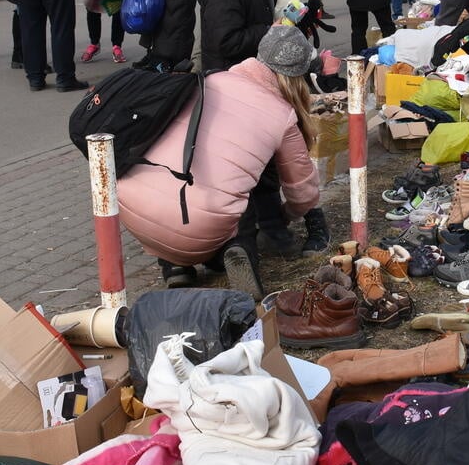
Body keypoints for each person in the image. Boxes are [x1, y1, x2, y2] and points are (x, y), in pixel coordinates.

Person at [117, 25, 321, 299]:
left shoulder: (208, 80)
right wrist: (288, 214)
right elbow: (304, 192)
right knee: (239, 195)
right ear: (297, 77)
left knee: (189, 180)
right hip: (201, 221)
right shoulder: (282, 114)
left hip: (134, 207)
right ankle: (238, 250)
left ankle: (176, 266)